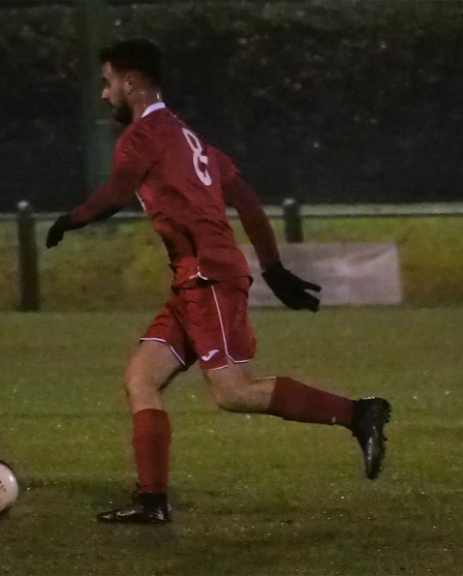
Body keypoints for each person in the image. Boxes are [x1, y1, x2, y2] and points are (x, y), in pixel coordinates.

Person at [46, 38, 392, 524]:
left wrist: (72, 218)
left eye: (107, 84)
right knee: (141, 378)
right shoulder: (191, 139)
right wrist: (272, 267)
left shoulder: (143, 135)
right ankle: (152, 501)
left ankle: (360, 413)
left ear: (130, 82)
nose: (104, 96)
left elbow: (118, 191)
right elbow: (246, 201)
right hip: (192, 280)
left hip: (208, 275)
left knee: (233, 391)